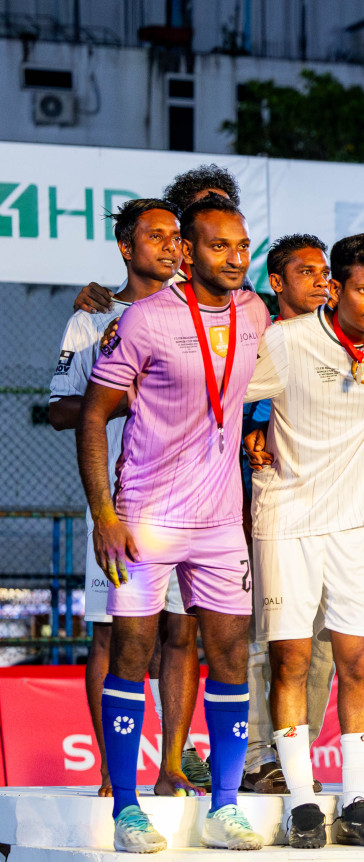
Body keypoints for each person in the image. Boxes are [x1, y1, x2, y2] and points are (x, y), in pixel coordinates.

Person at [77, 194, 278, 853]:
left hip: (221, 520)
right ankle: (128, 809)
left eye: (243, 246)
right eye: (221, 247)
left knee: (225, 652)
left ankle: (224, 807)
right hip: (146, 518)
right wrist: (105, 512)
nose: (236, 258)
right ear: (188, 254)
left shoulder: (254, 311)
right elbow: (92, 415)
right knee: (133, 650)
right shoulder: (142, 321)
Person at [245, 233, 364, 850]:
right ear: (335, 287)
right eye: (363, 288)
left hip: (355, 525)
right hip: (287, 519)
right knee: (290, 660)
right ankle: (299, 802)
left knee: (360, 663)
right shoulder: (286, 342)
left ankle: (356, 800)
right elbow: (232, 394)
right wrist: (254, 429)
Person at [49, 198, 190, 797]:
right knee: (111, 632)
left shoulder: (207, 310)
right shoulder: (92, 318)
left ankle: (175, 766)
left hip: (193, 499)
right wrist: (131, 395)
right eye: (154, 235)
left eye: (176, 235)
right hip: (118, 503)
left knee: (179, 632)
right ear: (126, 248)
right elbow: (60, 409)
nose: (169, 245)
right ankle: (113, 768)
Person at [242, 233, 339, 795]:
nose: (321, 280)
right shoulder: (265, 338)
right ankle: (260, 761)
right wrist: (253, 430)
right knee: (271, 641)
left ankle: (296, 755)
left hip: (341, 517)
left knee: (326, 646)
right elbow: (236, 402)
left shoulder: (348, 340)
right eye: (306, 272)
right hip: (279, 510)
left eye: (324, 270)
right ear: (277, 283)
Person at [71, 164, 241, 314]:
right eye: (207, 211)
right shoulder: (160, 279)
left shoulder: (237, 277)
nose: (219, 221)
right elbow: (119, 310)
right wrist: (93, 312)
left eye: (226, 211)